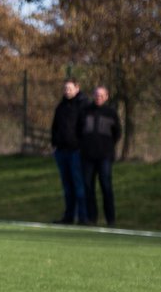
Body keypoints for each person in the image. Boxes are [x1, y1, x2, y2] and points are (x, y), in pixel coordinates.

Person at [80, 85, 121, 226]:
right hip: (87, 156)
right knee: (88, 187)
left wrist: (107, 147)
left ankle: (111, 219)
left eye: (101, 95)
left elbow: (117, 133)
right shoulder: (85, 112)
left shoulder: (111, 113)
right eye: (96, 95)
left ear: (106, 97)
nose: (99, 98)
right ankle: (92, 218)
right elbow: (78, 131)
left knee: (106, 186)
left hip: (105, 156)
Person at [51, 79, 90, 225]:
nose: (67, 91)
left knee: (79, 185)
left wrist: (81, 145)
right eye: (65, 88)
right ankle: (68, 216)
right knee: (67, 187)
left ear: (77, 88)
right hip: (61, 151)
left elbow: (85, 128)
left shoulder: (84, 105)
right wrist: (54, 144)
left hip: (76, 151)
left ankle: (83, 217)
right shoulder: (61, 106)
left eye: (69, 88)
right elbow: (55, 127)